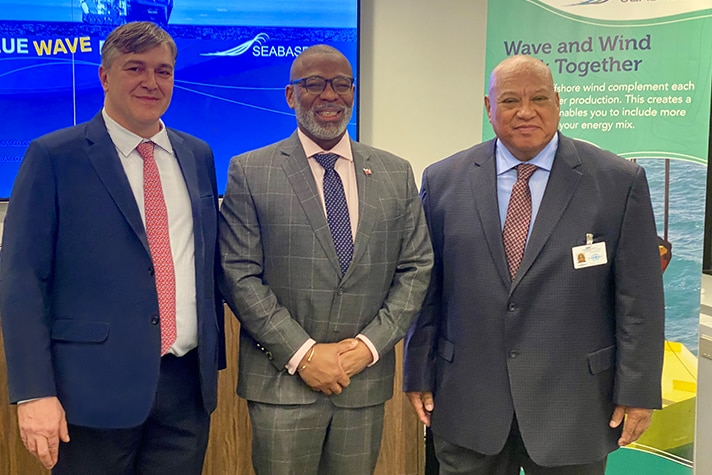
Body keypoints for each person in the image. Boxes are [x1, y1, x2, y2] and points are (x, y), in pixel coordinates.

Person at [403, 55, 665, 474]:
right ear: (488, 109)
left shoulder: (618, 182)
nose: (526, 111)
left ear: (558, 103)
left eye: (539, 98)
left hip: (575, 407)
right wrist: (417, 371)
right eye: (509, 100)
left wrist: (638, 389)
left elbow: (640, 300)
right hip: (468, 402)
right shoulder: (443, 180)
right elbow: (428, 289)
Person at [0, 21, 224, 474]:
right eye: (135, 68)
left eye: (163, 71)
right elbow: (21, 279)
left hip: (185, 389)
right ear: (105, 76)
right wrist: (34, 393)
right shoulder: (54, 156)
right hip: (89, 392)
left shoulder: (197, 154)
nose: (151, 82)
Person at [218, 44, 433, 474]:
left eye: (341, 84)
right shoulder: (251, 170)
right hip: (283, 384)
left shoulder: (395, 172)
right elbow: (239, 274)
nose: (329, 95)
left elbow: (416, 267)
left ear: (352, 91)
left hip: (362, 384)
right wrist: (305, 354)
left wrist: (368, 348)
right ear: (290, 95)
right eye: (313, 84)